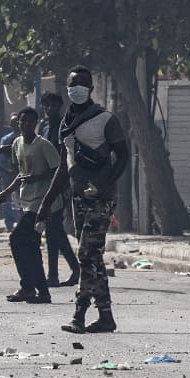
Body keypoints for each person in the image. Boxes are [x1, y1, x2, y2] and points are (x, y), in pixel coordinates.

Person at [47, 66, 132, 333]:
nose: (77, 88)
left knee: (85, 254)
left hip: (101, 198)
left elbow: (123, 156)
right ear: (67, 88)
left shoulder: (105, 119)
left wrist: (104, 184)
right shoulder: (65, 123)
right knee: (93, 257)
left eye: (83, 83)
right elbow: (64, 165)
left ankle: (79, 314)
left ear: (91, 88)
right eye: (73, 84)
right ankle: (106, 316)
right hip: (78, 198)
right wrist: (45, 204)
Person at [0, 106, 58, 305]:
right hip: (26, 201)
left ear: (36, 123)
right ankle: (39, 291)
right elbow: (21, 174)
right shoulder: (17, 143)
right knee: (31, 246)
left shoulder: (43, 145)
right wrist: (6, 192)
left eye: (30, 122)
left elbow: (57, 172)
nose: (26, 125)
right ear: (18, 123)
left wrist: (37, 178)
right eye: (23, 121)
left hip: (42, 202)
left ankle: (28, 286)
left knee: (16, 239)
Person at [38, 89, 78, 286]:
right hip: (47, 182)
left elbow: (65, 156)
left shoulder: (64, 126)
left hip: (61, 182)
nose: (49, 109)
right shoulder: (44, 127)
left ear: (59, 107)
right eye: (46, 105)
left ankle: (65, 270)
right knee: (53, 230)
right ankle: (58, 272)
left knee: (54, 228)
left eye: (53, 105)